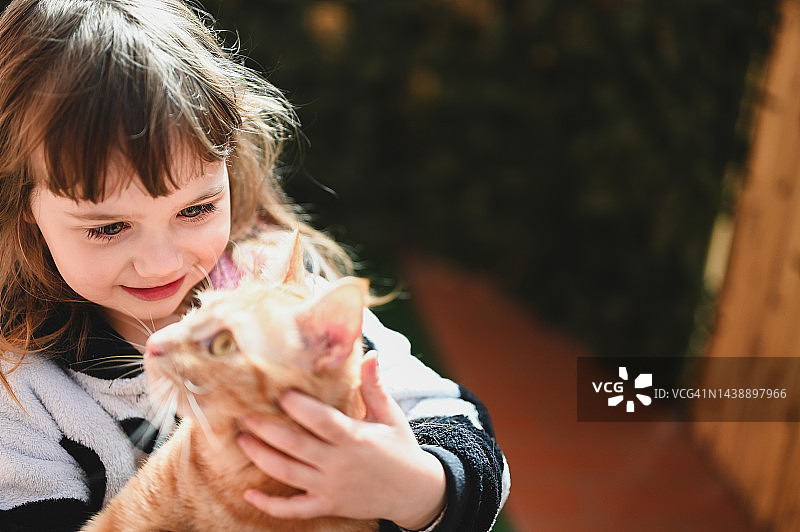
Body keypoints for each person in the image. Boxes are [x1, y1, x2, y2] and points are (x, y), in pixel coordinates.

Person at [0, 0, 510, 531]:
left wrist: (414, 489)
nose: (161, 263)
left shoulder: (282, 297)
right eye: (108, 227)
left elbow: (463, 433)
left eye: (195, 209)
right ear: (22, 209)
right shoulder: (20, 388)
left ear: (229, 168)